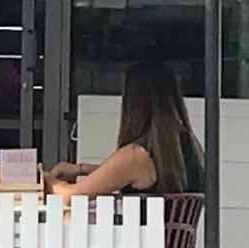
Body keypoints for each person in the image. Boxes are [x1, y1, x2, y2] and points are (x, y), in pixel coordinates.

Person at [47, 62, 204, 200]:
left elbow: (70, 196)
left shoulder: (136, 155)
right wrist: (82, 169)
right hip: (175, 227)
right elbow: (125, 173)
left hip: (140, 227)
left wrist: (46, 180)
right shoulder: (189, 146)